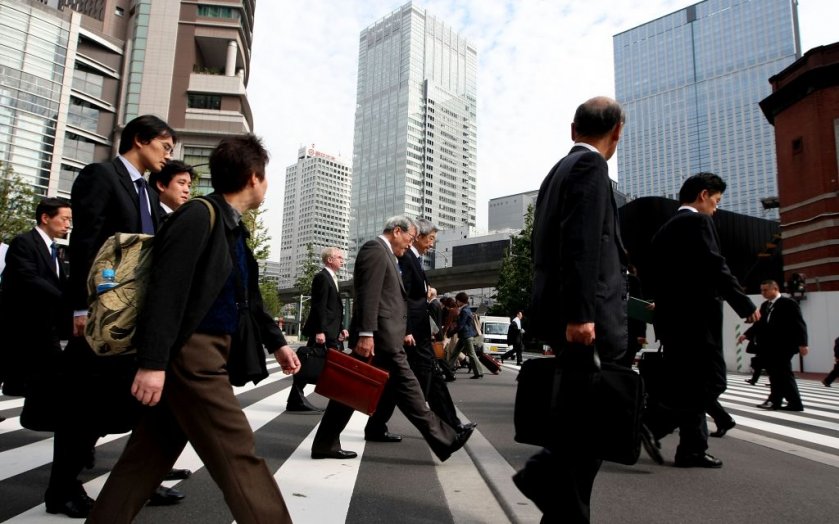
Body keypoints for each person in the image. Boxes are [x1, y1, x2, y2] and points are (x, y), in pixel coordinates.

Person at [87, 134, 301, 523]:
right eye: (265, 176)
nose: (266, 184)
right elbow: (166, 291)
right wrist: (153, 362)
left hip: (204, 350)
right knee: (238, 454)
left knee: (145, 460)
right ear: (253, 177)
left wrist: (278, 343)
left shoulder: (232, 226)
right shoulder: (199, 216)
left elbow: (247, 297)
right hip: (193, 354)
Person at [42, 115, 179, 518]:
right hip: (101, 314)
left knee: (143, 404)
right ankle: (61, 490)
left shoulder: (151, 196)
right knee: (82, 407)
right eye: (164, 147)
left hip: (135, 318)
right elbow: (87, 243)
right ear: (140, 140)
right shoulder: (101, 177)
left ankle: (139, 482)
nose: (167, 156)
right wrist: (83, 306)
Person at [513, 96, 627, 523]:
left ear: (573, 129)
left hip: (569, 315)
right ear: (617, 131)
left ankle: (549, 487)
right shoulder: (590, 167)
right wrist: (581, 315)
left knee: (578, 423)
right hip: (587, 320)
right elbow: (581, 245)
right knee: (586, 432)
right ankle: (543, 476)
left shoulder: (556, 172)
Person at [310, 216, 473, 461]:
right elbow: (368, 294)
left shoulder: (388, 254)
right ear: (397, 231)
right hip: (379, 338)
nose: (410, 245)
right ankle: (446, 439)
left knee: (352, 388)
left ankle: (325, 443)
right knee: (408, 390)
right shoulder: (374, 250)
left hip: (385, 337)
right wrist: (365, 333)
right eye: (409, 238)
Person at [647, 172, 759, 466]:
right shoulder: (697, 221)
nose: (716, 208)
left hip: (670, 322)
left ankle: (692, 449)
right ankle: (652, 425)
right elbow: (714, 265)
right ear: (703, 195)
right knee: (711, 381)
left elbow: (654, 276)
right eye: (716, 200)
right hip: (696, 320)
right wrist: (743, 303)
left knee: (689, 384)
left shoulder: (663, 231)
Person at [365, 219, 469, 439]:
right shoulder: (403, 257)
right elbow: (401, 298)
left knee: (424, 379)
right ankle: (446, 431)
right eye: (429, 239)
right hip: (410, 333)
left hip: (416, 334)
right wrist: (406, 330)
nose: (432, 244)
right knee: (412, 385)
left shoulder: (413, 259)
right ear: (416, 236)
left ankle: (451, 425)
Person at [0, 199, 72, 397]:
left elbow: (59, 282)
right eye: (64, 219)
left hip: (45, 324)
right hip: (20, 323)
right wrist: (64, 299)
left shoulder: (54, 250)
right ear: (45, 218)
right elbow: (29, 278)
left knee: (50, 372)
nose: (68, 225)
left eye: (70, 220)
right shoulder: (24, 242)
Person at [288, 246, 348, 412]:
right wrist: (319, 331)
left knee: (310, 361)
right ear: (330, 259)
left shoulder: (332, 278)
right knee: (331, 364)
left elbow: (333, 309)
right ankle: (338, 404)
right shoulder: (322, 277)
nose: (343, 260)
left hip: (330, 330)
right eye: (339, 257)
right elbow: (319, 306)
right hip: (324, 331)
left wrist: (341, 328)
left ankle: (295, 399)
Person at [739, 280, 808, 410]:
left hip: (785, 346)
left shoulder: (788, 303)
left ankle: (792, 402)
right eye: (761, 290)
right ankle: (780, 401)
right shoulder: (765, 305)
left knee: (783, 374)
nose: (763, 293)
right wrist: (746, 334)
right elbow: (759, 324)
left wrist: (803, 344)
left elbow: (799, 324)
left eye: (765, 290)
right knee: (776, 374)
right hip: (770, 347)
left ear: (775, 289)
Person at [447, 292, 483, 379]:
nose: (456, 302)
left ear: (461, 301)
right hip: (464, 335)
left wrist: (451, 332)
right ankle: (448, 369)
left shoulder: (465, 311)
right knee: (455, 353)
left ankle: (479, 372)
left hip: (466, 336)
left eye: (457, 300)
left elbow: (461, 325)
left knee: (471, 354)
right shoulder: (467, 309)